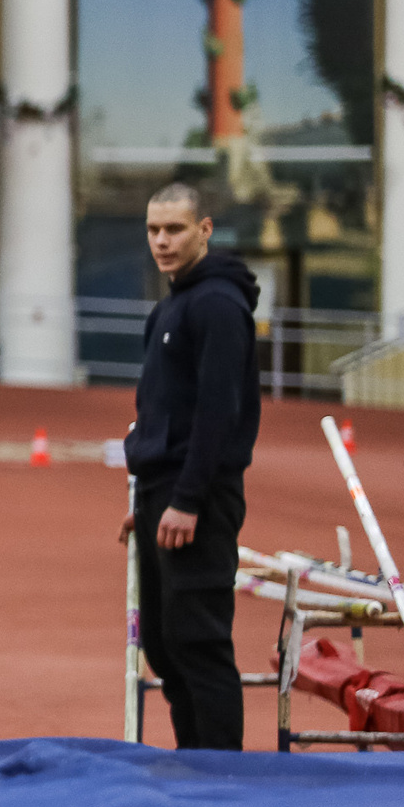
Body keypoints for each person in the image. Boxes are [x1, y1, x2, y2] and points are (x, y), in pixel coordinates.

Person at [123, 181, 259, 750]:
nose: (162, 240)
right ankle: (193, 762)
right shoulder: (169, 306)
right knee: (163, 642)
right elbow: (161, 409)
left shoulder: (219, 305)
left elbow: (217, 410)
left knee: (198, 641)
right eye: (154, 230)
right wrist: (148, 501)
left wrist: (186, 499)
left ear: (205, 230)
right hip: (163, 493)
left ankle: (225, 776)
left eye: (175, 229)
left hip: (198, 497)